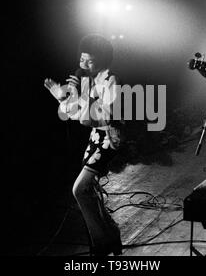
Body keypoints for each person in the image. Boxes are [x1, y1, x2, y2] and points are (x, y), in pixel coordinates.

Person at [44, 34, 123, 256]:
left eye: (89, 61)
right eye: (81, 59)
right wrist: (62, 97)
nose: (83, 64)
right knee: (90, 191)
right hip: (95, 137)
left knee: (79, 189)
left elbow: (105, 116)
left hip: (109, 138)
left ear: (103, 60)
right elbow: (73, 113)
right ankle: (111, 236)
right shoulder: (86, 80)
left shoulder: (110, 81)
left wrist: (81, 110)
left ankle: (102, 243)